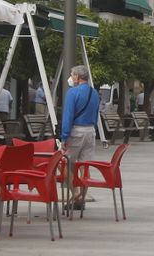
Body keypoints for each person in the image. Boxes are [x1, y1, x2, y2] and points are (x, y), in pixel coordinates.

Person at [61, 66, 101, 209]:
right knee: (85, 166)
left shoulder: (72, 93)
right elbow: (96, 114)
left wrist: (64, 137)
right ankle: (81, 199)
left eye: (72, 75)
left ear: (77, 77)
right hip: (91, 131)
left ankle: (76, 195)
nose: (71, 78)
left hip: (76, 132)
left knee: (65, 164)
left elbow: (68, 116)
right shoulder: (95, 93)